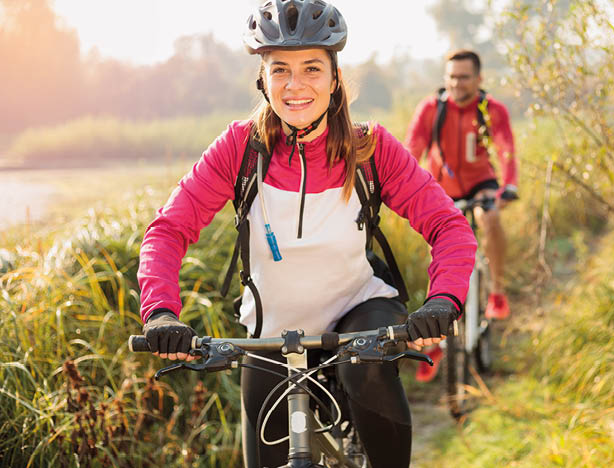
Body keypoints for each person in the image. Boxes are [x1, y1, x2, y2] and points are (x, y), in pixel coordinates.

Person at [137, 2, 476, 467]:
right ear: (263, 80)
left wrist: (443, 301)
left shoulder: (369, 149)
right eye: (280, 70)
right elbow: (169, 229)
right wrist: (160, 312)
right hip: (270, 331)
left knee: (369, 374)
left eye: (312, 68)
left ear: (335, 77)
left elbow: (448, 225)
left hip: (359, 313)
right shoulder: (239, 150)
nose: (295, 86)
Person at [405, 49, 518, 382]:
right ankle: (434, 340)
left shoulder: (491, 110)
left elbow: (505, 148)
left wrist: (508, 185)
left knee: (490, 217)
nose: (457, 83)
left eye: (464, 77)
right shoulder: (431, 108)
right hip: (441, 188)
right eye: (451, 76)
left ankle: (496, 291)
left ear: (479, 79)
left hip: (481, 182)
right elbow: (412, 150)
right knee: (440, 255)